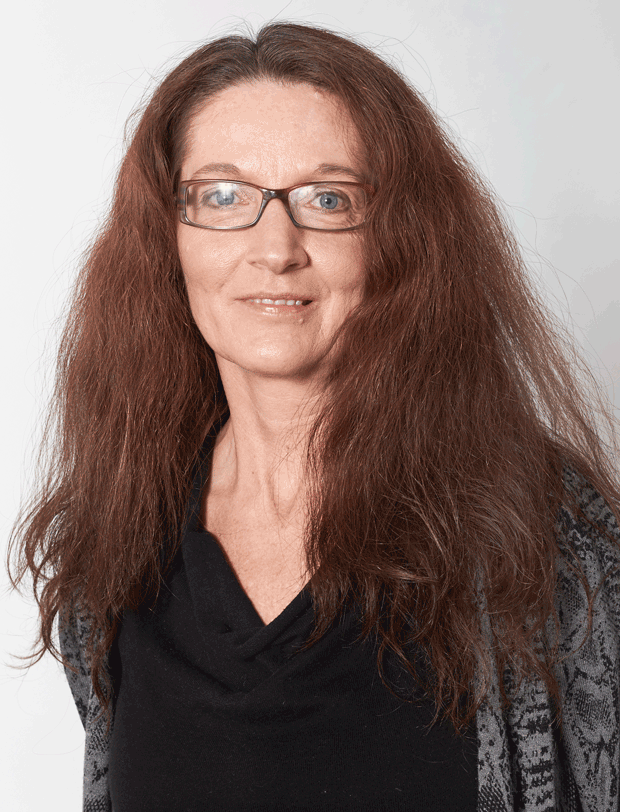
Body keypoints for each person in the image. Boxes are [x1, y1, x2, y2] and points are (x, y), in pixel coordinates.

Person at [7, 20, 620, 812]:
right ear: (167, 236)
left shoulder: (545, 540)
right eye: (222, 196)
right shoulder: (117, 546)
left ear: (400, 240)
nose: (276, 246)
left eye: (328, 199)